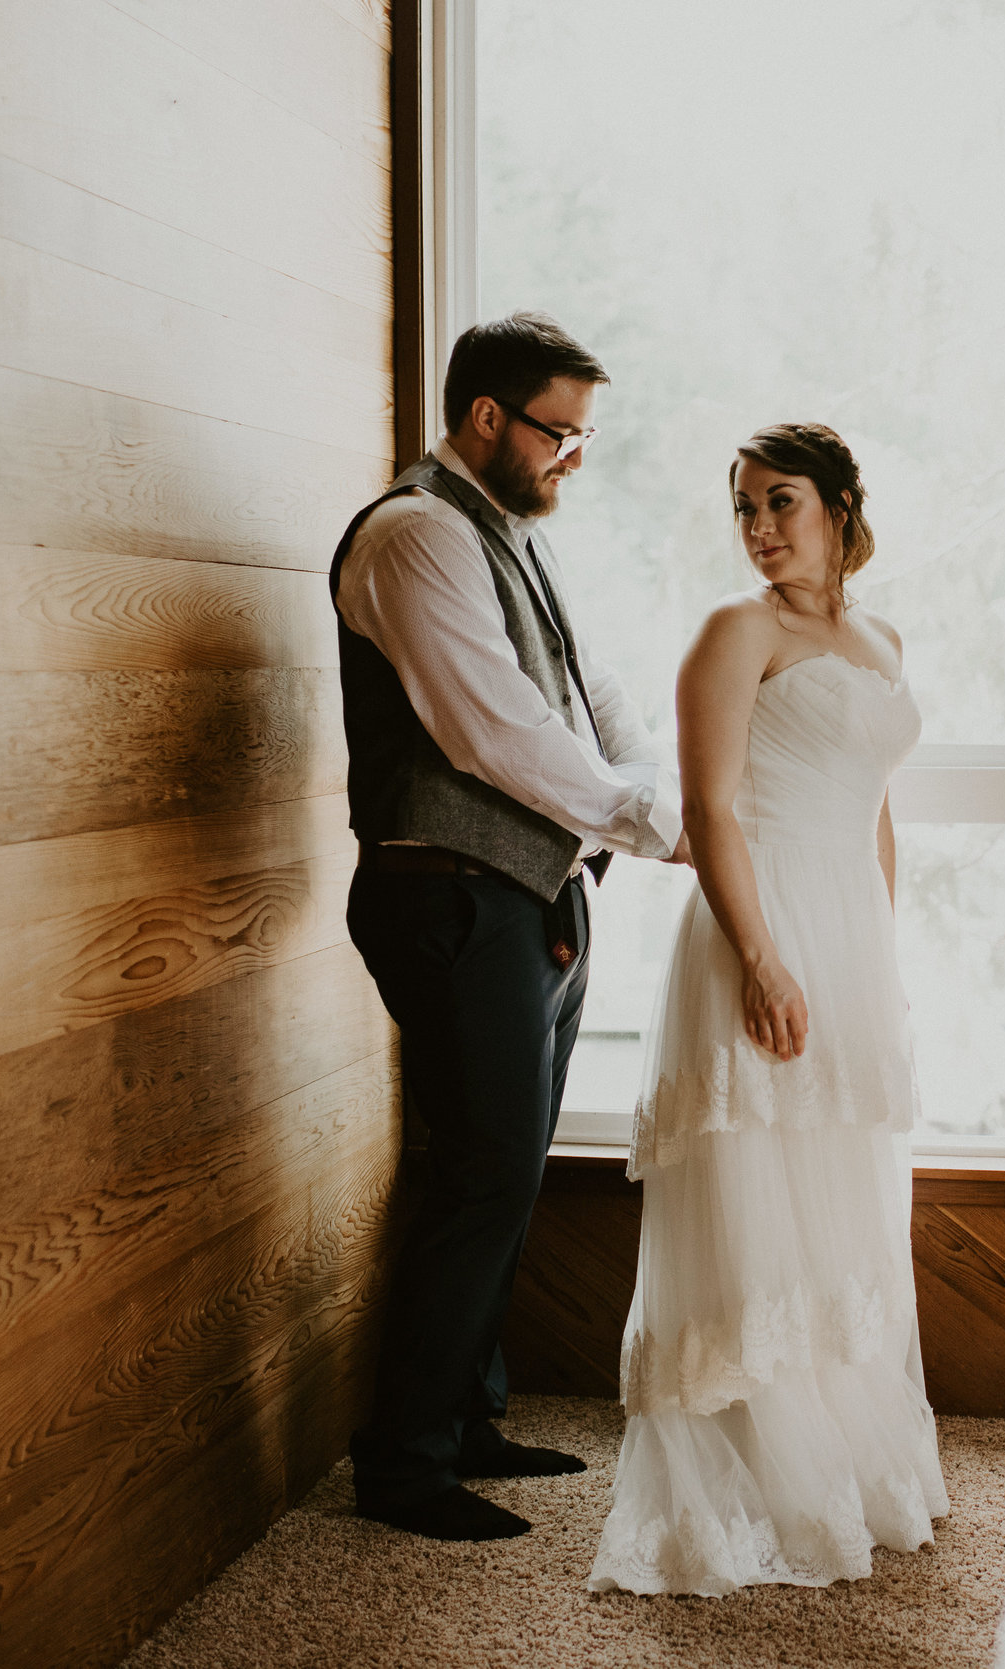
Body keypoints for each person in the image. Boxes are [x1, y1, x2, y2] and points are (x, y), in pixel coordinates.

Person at [331, 312, 686, 1543]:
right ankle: (405, 1465)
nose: (572, 458)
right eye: (560, 432)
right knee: (482, 1170)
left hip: (531, 892)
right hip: (448, 891)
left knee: (509, 1164)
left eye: (583, 436)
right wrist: (652, 824)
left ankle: (467, 1418)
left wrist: (668, 795)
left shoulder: (508, 537)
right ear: (487, 416)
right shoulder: (415, 535)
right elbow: (494, 732)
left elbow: (590, 697)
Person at [589, 423, 948, 1595]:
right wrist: (761, 956)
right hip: (760, 919)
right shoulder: (732, 632)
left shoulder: (879, 638)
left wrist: (875, 956)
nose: (756, 528)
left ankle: (839, 1452)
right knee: (755, 1203)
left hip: (844, 926)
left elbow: (875, 808)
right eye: (742, 506)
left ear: (840, 504)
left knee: (839, 1200)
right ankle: (741, 1479)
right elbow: (712, 810)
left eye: (778, 502)